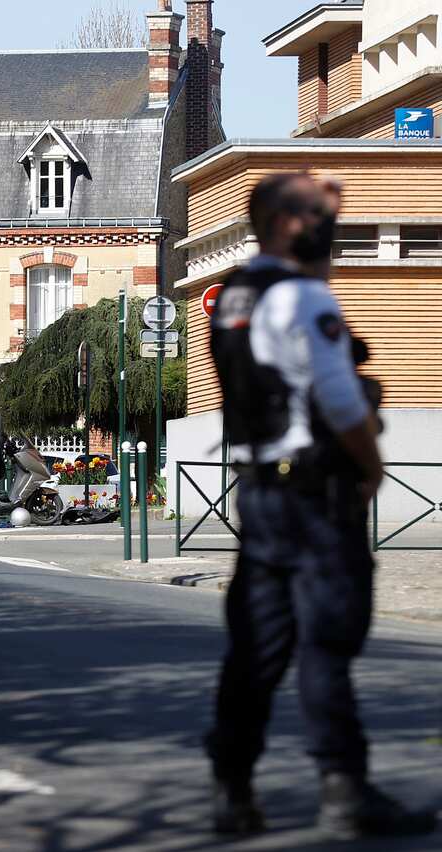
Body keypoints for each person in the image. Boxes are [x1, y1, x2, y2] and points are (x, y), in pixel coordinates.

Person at [205, 172, 434, 838]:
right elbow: (337, 397)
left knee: (256, 648)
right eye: (315, 212)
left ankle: (233, 789)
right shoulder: (302, 296)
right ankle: (345, 792)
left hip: (261, 491)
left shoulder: (237, 294)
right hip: (313, 494)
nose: (330, 220)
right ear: (282, 221)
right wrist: (371, 465)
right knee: (325, 644)